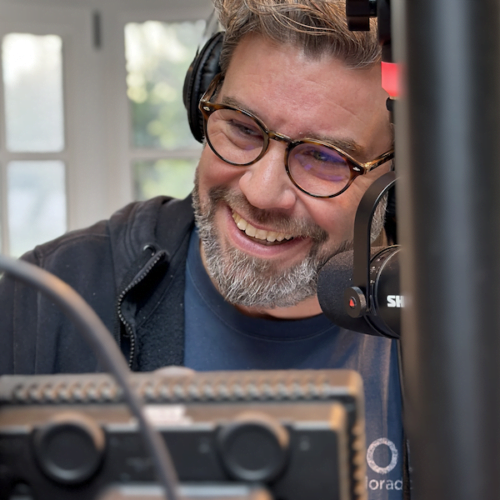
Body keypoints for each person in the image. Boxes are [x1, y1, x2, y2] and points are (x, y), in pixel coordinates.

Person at [0, 0, 404, 498]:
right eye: (243, 128)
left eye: (324, 157)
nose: (260, 192)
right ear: (202, 105)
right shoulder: (45, 301)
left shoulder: (455, 331)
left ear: (398, 180)